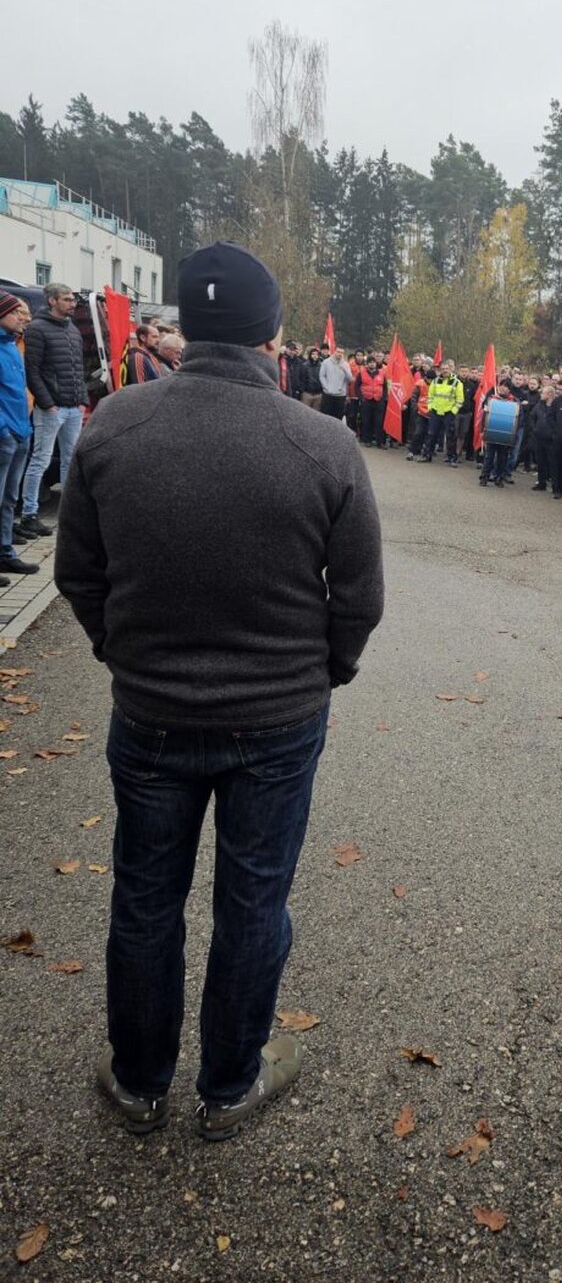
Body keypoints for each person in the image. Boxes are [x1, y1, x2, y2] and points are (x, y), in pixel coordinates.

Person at [55, 241, 384, 1142]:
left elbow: (77, 574)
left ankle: (139, 1079)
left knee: (145, 898)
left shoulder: (115, 424)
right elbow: (358, 600)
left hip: (153, 712)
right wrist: (323, 673)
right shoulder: (322, 443)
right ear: (271, 329)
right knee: (253, 902)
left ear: (185, 327)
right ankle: (229, 1082)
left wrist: (123, 653)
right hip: (277, 719)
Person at [20, 281, 88, 537]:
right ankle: (29, 514)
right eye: (67, 299)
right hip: (52, 408)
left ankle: (69, 515)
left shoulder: (72, 329)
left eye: (72, 299)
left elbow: (78, 367)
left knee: (71, 462)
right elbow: (32, 370)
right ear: (52, 301)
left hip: (73, 407)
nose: (73, 303)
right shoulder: (37, 329)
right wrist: (47, 403)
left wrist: (82, 398)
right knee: (40, 460)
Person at [0, 292, 38, 580]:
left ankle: (5, 552)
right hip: (6, 435)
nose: (22, 318)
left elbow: (20, 389)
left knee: (10, 498)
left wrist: (25, 429)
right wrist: (5, 431)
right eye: (16, 313)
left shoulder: (12, 346)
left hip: (20, 432)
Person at [419, 359, 463, 465]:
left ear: (451, 369)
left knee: (450, 437)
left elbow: (460, 399)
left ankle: (451, 458)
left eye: (447, 368)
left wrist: (453, 411)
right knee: (431, 434)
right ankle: (427, 455)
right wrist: (430, 408)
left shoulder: (457, 383)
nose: (445, 370)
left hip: (449, 412)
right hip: (435, 412)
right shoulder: (435, 381)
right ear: (440, 370)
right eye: (443, 369)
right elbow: (430, 396)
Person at [319, 346, 352, 419]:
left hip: (340, 395)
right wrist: (326, 387)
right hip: (328, 394)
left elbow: (349, 378)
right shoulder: (326, 362)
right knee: (326, 417)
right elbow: (322, 376)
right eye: (338, 352)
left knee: (338, 417)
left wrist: (344, 369)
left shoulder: (345, 364)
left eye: (342, 353)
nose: (340, 354)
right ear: (334, 352)